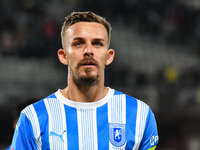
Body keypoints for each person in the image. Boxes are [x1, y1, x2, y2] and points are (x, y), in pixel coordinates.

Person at [11, 11, 159, 150]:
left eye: (97, 44)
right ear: (63, 55)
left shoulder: (140, 115)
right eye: (78, 43)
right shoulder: (33, 118)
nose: (88, 50)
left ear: (109, 56)